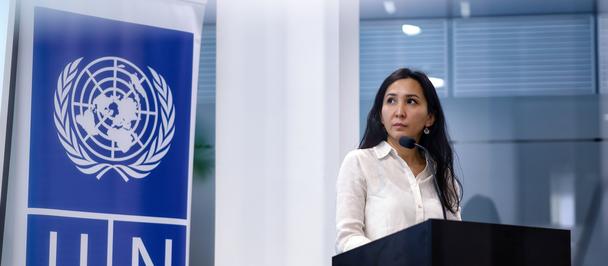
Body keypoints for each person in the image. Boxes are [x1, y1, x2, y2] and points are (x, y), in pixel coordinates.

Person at [335, 68, 462, 253]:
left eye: (411, 101)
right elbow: (347, 238)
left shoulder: (442, 175)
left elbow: (455, 243)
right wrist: (391, 256)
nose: (399, 112)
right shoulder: (360, 162)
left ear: (430, 118)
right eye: (391, 101)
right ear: (380, 114)